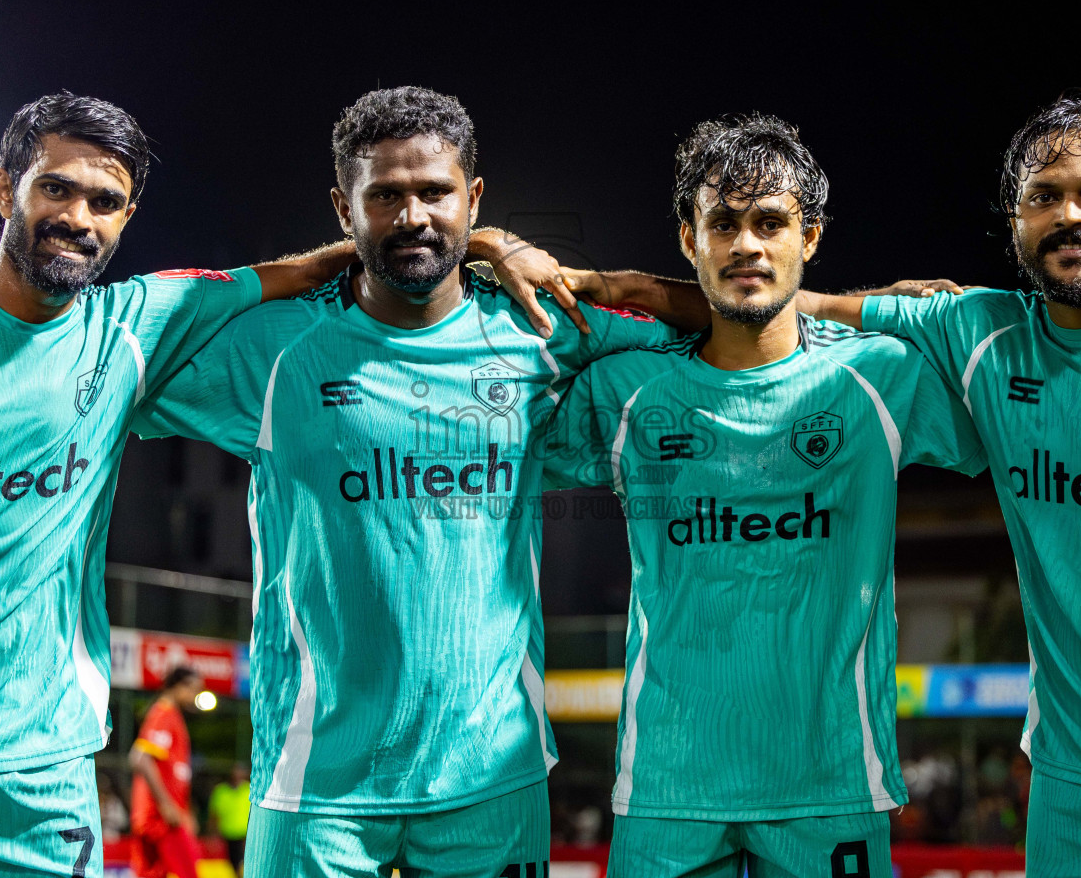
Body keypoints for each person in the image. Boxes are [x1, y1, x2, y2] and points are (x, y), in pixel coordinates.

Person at [0, 91, 551, 877]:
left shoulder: (135, 325)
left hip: (45, 759)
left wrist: (492, 246)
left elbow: (317, 266)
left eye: (106, 201)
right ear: (3, 189)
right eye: (55, 188)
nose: (79, 218)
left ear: (127, 218)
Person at [575, 90, 1081, 875]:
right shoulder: (977, 335)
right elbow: (776, 307)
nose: (1071, 216)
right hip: (1074, 794)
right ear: (1014, 217)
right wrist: (613, 284)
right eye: (1045, 197)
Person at [129, 86, 684, 876]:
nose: (414, 215)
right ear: (343, 207)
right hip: (314, 781)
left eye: (436, 192)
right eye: (385, 195)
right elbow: (101, 354)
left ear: (474, 197)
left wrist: (522, 255)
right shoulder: (276, 351)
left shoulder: (539, 329)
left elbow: (725, 319)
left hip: (491, 775)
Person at [542, 114, 984, 877]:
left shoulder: (883, 376)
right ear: (691, 241)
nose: (747, 243)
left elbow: (1029, 413)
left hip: (832, 783)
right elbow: (486, 401)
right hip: (667, 789)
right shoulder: (624, 389)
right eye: (724, 224)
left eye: (770, 223)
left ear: (809, 240)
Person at [129, 667, 207, 878]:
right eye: (193, 689)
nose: (194, 696)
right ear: (178, 686)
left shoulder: (171, 715)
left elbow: (174, 772)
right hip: (160, 818)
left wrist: (185, 808)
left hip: (155, 814)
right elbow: (140, 758)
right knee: (189, 872)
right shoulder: (164, 712)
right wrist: (167, 804)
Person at [208, 762, 251, 874]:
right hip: (226, 836)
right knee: (232, 866)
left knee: (244, 864)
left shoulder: (249, 790)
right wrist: (213, 836)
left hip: (245, 836)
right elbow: (214, 815)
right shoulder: (220, 791)